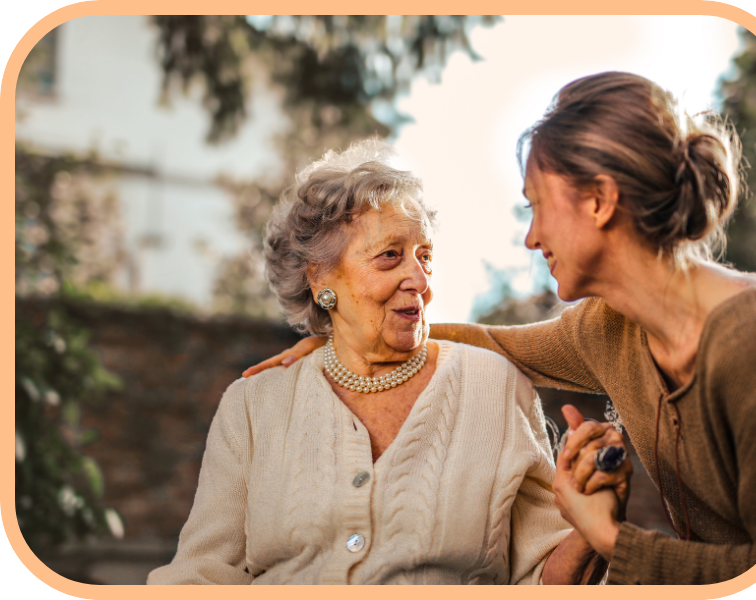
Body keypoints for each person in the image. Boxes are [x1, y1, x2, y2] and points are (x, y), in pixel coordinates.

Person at [243, 73, 756, 585]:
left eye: (538, 206)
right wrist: (347, 329)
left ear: (599, 201)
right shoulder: (609, 329)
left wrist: (607, 535)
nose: (531, 237)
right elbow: (494, 343)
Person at [148, 139, 615, 585]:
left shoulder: (496, 388)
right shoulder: (253, 405)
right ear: (320, 277)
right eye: (390, 256)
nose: (418, 278)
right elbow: (202, 573)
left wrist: (591, 528)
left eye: (425, 256)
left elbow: (541, 578)